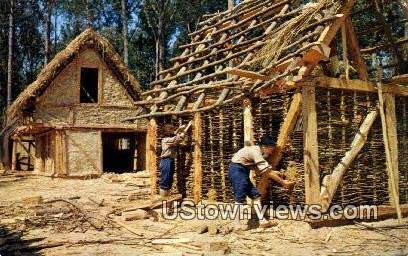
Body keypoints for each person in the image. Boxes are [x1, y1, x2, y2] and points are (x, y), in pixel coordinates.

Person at [229, 134, 295, 230]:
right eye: (271, 148)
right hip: (237, 170)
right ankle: (236, 224)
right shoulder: (256, 152)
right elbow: (266, 172)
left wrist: (273, 172)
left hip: (243, 170)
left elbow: (257, 169)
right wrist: (283, 182)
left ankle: (262, 221)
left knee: (256, 195)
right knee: (240, 196)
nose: (272, 151)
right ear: (264, 146)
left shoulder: (256, 151)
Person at [159, 123, 188, 199]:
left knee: (169, 180)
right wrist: (183, 132)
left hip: (170, 160)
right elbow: (177, 138)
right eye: (171, 129)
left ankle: (167, 200)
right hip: (166, 161)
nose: (173, 131)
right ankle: (163, 200)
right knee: (165, 181)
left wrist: (179, 129)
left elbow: (175, 135)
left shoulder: (169, 139)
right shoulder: (166, 140)